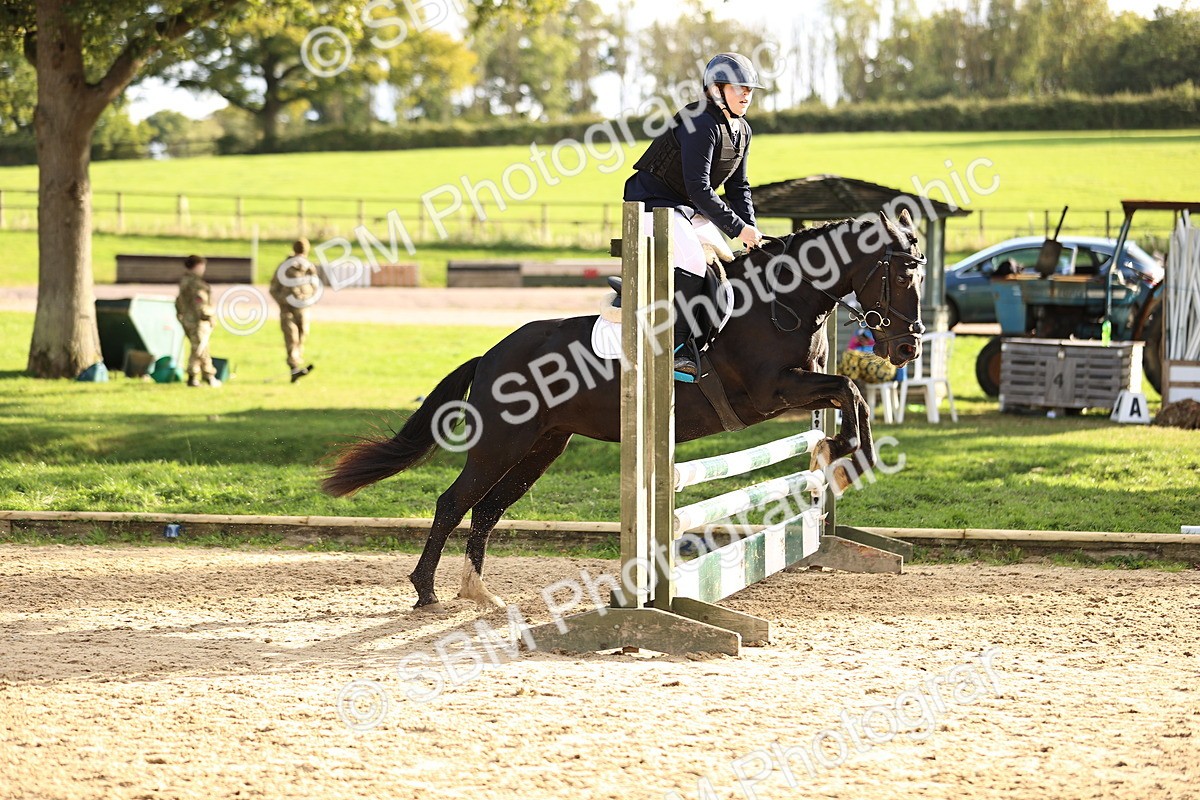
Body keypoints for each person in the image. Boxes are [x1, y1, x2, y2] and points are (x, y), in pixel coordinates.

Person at [624, 52, 766, 377]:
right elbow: (699, 189)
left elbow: (739, 188)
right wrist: (737, 228)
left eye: (750, 89)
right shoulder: (699, 121)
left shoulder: (742, 130)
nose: (747, 94)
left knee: (725, 263)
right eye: (739, 87)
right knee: (692, 261)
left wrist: (750, 232)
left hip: (686, 208)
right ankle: (675, 349)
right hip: (651, 203)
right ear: (716, 89)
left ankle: (703, 339)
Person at [269, 237, 320, 383]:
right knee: (292, 338)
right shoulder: (284, 267)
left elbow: (314, 286)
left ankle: (297, 365)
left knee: (302, 337)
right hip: (288, 310)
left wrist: (307, 298)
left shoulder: (309, 267)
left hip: (302, 309)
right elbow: (273, 289)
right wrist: (283, 302)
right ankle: (294, 367)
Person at [175, 254, 220, 387]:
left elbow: (178, 301)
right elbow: (200, 303)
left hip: (187, 319)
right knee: (198, 348)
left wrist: (180, 314)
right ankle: (193, 376)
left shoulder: (184, 281)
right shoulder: (195, 284)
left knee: (203, 347)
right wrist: (209, 317)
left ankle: (208, 375)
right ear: (197, 266)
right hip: (197, 321)